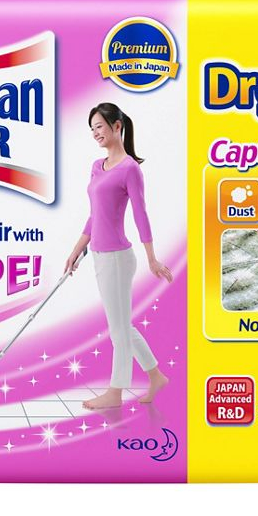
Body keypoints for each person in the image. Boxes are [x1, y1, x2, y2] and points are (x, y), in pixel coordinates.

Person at [64, 103, 172, 409]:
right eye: (92, 128)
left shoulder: (130, 169)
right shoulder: (97, 166)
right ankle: (156, 376)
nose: (95, 133)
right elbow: (94, 215)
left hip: (117, 259)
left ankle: (115, 391)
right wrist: (76, 250)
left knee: (118, 330)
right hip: (99, 256)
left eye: (99, 126)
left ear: (117, 126)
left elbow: (141, 214)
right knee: (123, 325)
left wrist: (152, 258)